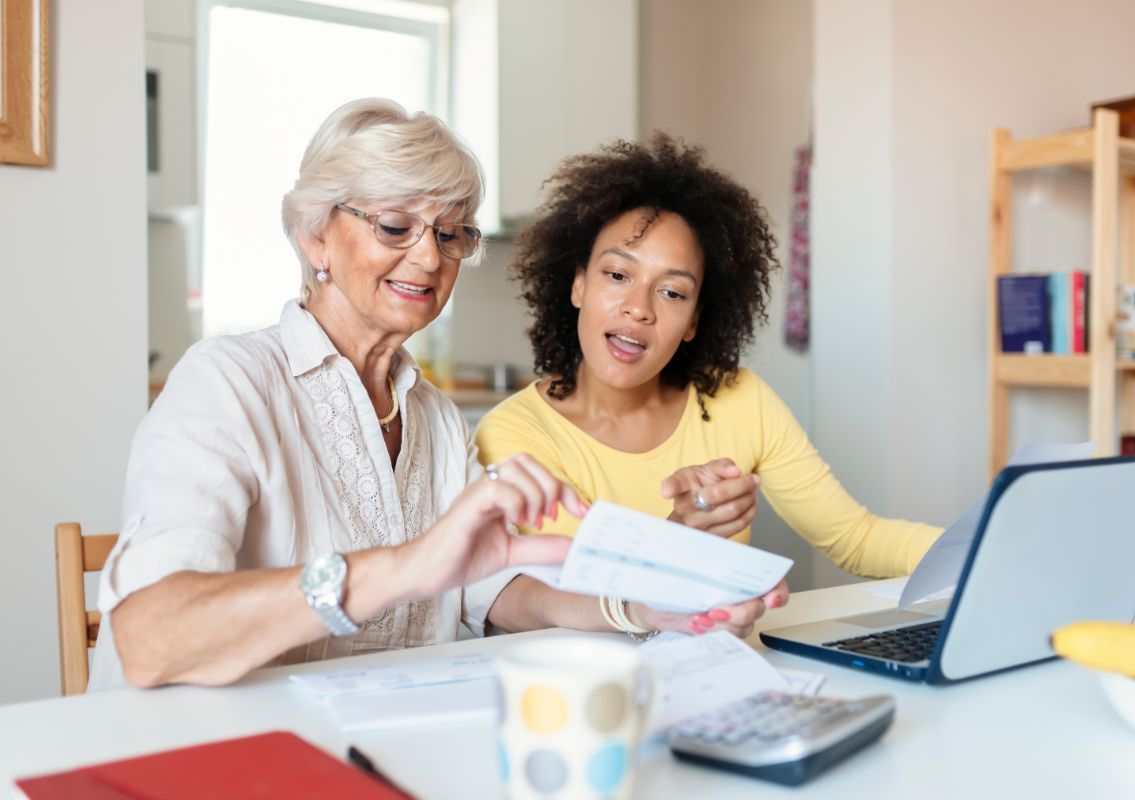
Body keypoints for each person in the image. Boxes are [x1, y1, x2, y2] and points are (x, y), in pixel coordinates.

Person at [90, 98, 587, 691]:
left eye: (450, 233)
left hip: (377, 747)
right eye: (395, 226)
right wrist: (402, 568)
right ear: (316, 238)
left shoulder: (437, 419)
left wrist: (627, 612)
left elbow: (484, 587)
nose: (430, 257)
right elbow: (151, 640)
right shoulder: (226, 383)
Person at [475, 135, 942, 636]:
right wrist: (678, 537)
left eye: (672, 291)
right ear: (578, 285)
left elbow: (856, 538)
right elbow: (566, 599)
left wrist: (989, 548)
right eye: (616, 274)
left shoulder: (740, 401)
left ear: (695, 320)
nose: (640, 307)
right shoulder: (513, 435)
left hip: (728, 682)